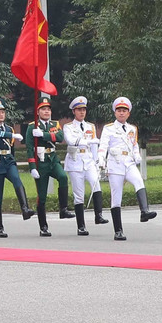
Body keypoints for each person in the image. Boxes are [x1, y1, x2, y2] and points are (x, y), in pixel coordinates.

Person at [98, 97, 156, 241]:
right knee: (116, 197)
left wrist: (137, 155)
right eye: (119, 110)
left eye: (124, 111)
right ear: (115, 112)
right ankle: (118, 231)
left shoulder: (132, 129)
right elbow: (103, 146)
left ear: (128, 113)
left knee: (138, 181)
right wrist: (101, 159)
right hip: (115, 164)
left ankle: (144, 211)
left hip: (128, 163)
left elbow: (134, 145)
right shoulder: (109, 128)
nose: (121, 113)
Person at [0, 98, 34, 238]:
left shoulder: (9, 128)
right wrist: (11, 135)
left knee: (17, 181)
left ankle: (25, 209)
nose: (1, 115)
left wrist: (13, 160)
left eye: (3, 112)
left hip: (8, 161)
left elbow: (11, 149)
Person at [24, 95, 73, 237]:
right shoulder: (32, 127)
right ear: (38, 112)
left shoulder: (55, 124)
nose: (46, 111)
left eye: (48, 109)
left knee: (63, 177)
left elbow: (60, 137)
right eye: (43, 109)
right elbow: (29, 148)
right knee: (42, 196)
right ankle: (43, 226)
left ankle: (63, 209)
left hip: (53, 159)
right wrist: (32, 167)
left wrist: (43, 135)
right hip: (41, 162)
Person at [62, 96, 105, 235]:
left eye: (84, 110)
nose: (82, 112)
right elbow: (70, 141)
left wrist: (97, 161)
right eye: (79, 110)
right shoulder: (68, 127)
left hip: (88, 160)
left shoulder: (90, 126)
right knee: (79, 195)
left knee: (96, 184)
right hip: (75, 161)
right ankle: (81, 226)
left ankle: (99, 215)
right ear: (74, 111)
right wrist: (87, 141)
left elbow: (94, 146)